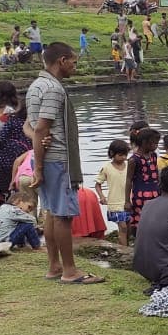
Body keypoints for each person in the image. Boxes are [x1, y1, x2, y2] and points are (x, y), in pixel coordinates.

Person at [25, 43, 103, 284]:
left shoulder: (36, 86)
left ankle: (54, 266)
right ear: (62, 60)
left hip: (45, 158)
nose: (75, 67)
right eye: (74, 62)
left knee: (51, 212)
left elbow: (29, 126)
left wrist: (39, 143)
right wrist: (39, 166)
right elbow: (40, 128)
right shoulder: (53, 89)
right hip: (57, 160)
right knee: (63, 215)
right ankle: (70, 271)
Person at [94, 140, 131, 248]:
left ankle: (124, 245)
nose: (123, 157)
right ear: (112, 153)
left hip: (128, 202)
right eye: (120, 155)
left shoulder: (129, 166)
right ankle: (125, 251)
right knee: (123, 227)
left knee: (128, 228)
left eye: (125, 155)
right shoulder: (107, 168)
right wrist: (101, 197)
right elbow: (98, 184)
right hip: (114, 204)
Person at [124, 128, 161, 233]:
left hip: (156, 193)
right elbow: (128, 180)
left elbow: (156, 174)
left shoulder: (153, 156)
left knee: (156, 220)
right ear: (144, 143)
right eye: (154, 143)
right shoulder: (133, 160)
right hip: (140, 196)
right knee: (140, 220)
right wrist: (127, 201)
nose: (156, 146)